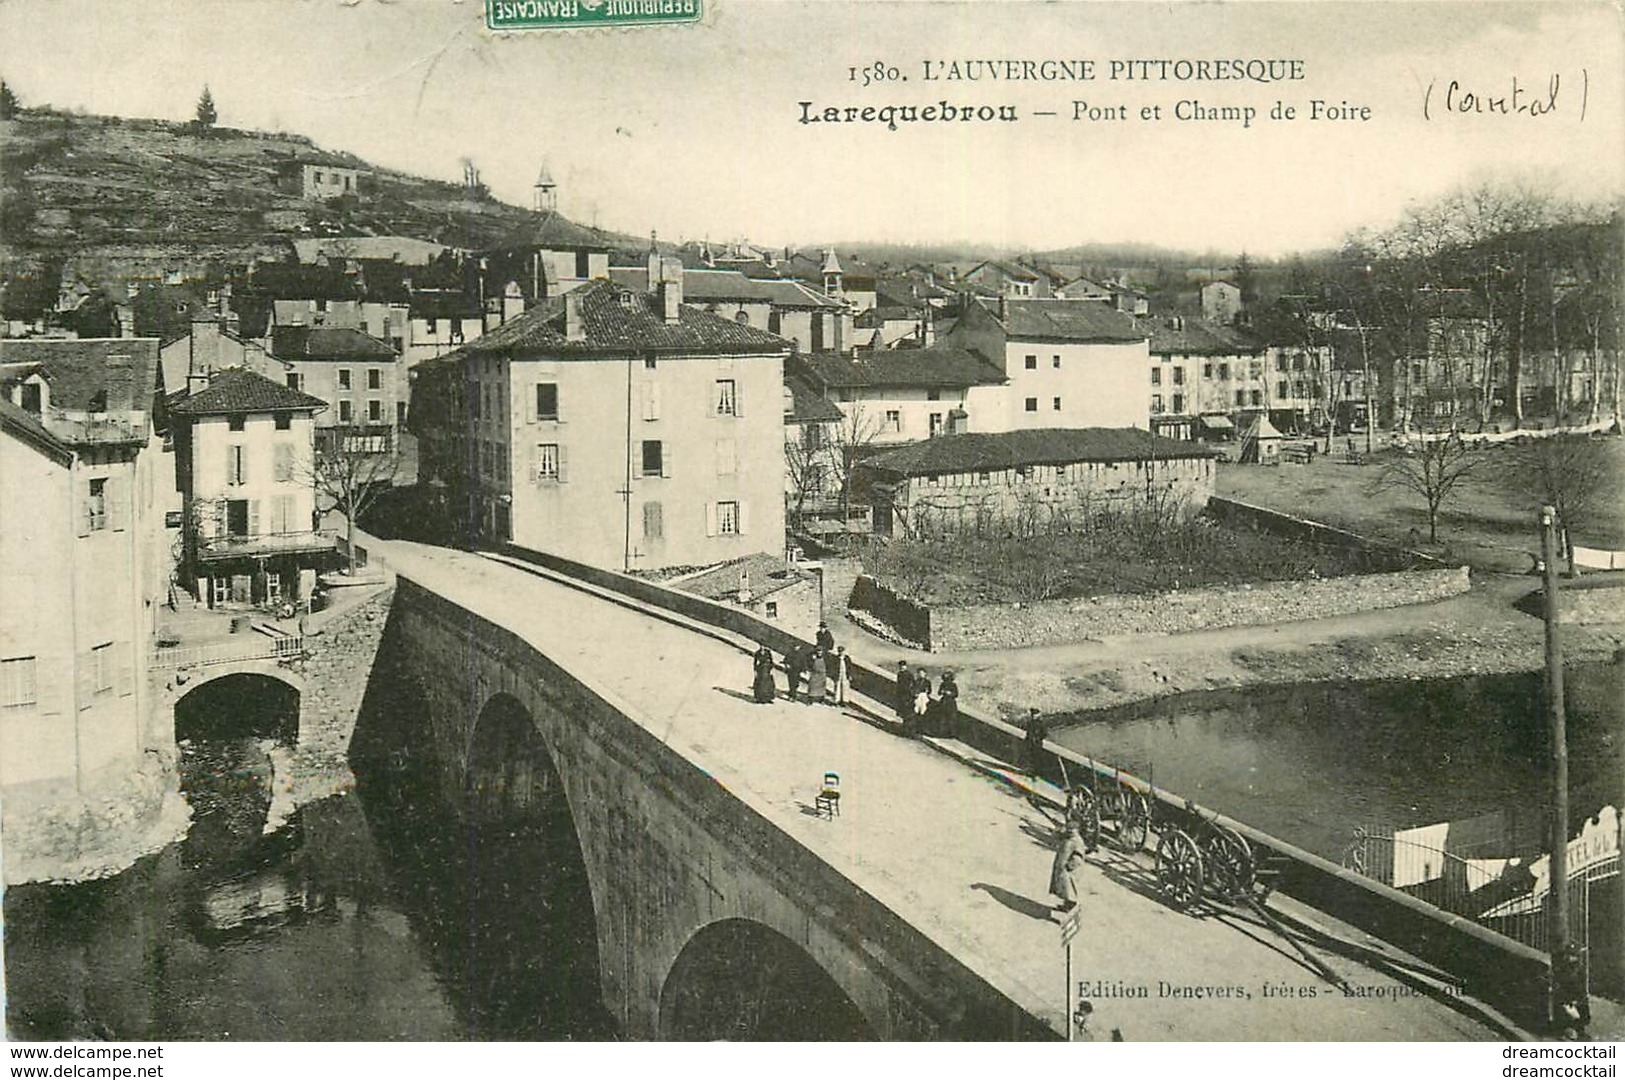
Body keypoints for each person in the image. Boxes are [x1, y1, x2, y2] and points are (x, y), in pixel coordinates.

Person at [1049, 822, 1087, 914]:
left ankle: (1070, 908)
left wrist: (1070, 866)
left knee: (1069, 890)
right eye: (1068, 829)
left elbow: (1079, 857)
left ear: (1077, 830)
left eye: (1072, 830)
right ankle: (1066, 905)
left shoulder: (1077, 841)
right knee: (1063, 889)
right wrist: (1057, 830)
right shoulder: (1067, 837)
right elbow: (1055, 837)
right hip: (1061, 866)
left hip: (1069, 871)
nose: (1070, 831)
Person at [1024, 707, 1049, 776]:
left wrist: (1038, 738)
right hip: (1031, 742)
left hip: (1036, 743)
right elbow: (1028, 732)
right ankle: (1031, 771)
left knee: (1036, 758)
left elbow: (1044, 733)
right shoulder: (1031, 723)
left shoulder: (1040, 724)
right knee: (1031, 757)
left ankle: (1036, 772)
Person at [934, 671, 959, 737]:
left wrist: (949, 693)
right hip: (944, 702)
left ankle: (951, 734)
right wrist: (942, 692)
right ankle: (941, 733)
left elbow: (956, 694)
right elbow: (939, 693)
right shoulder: (942, 684)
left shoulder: (953, 685)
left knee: (951, 718)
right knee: (942, 718)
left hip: (950, 703)